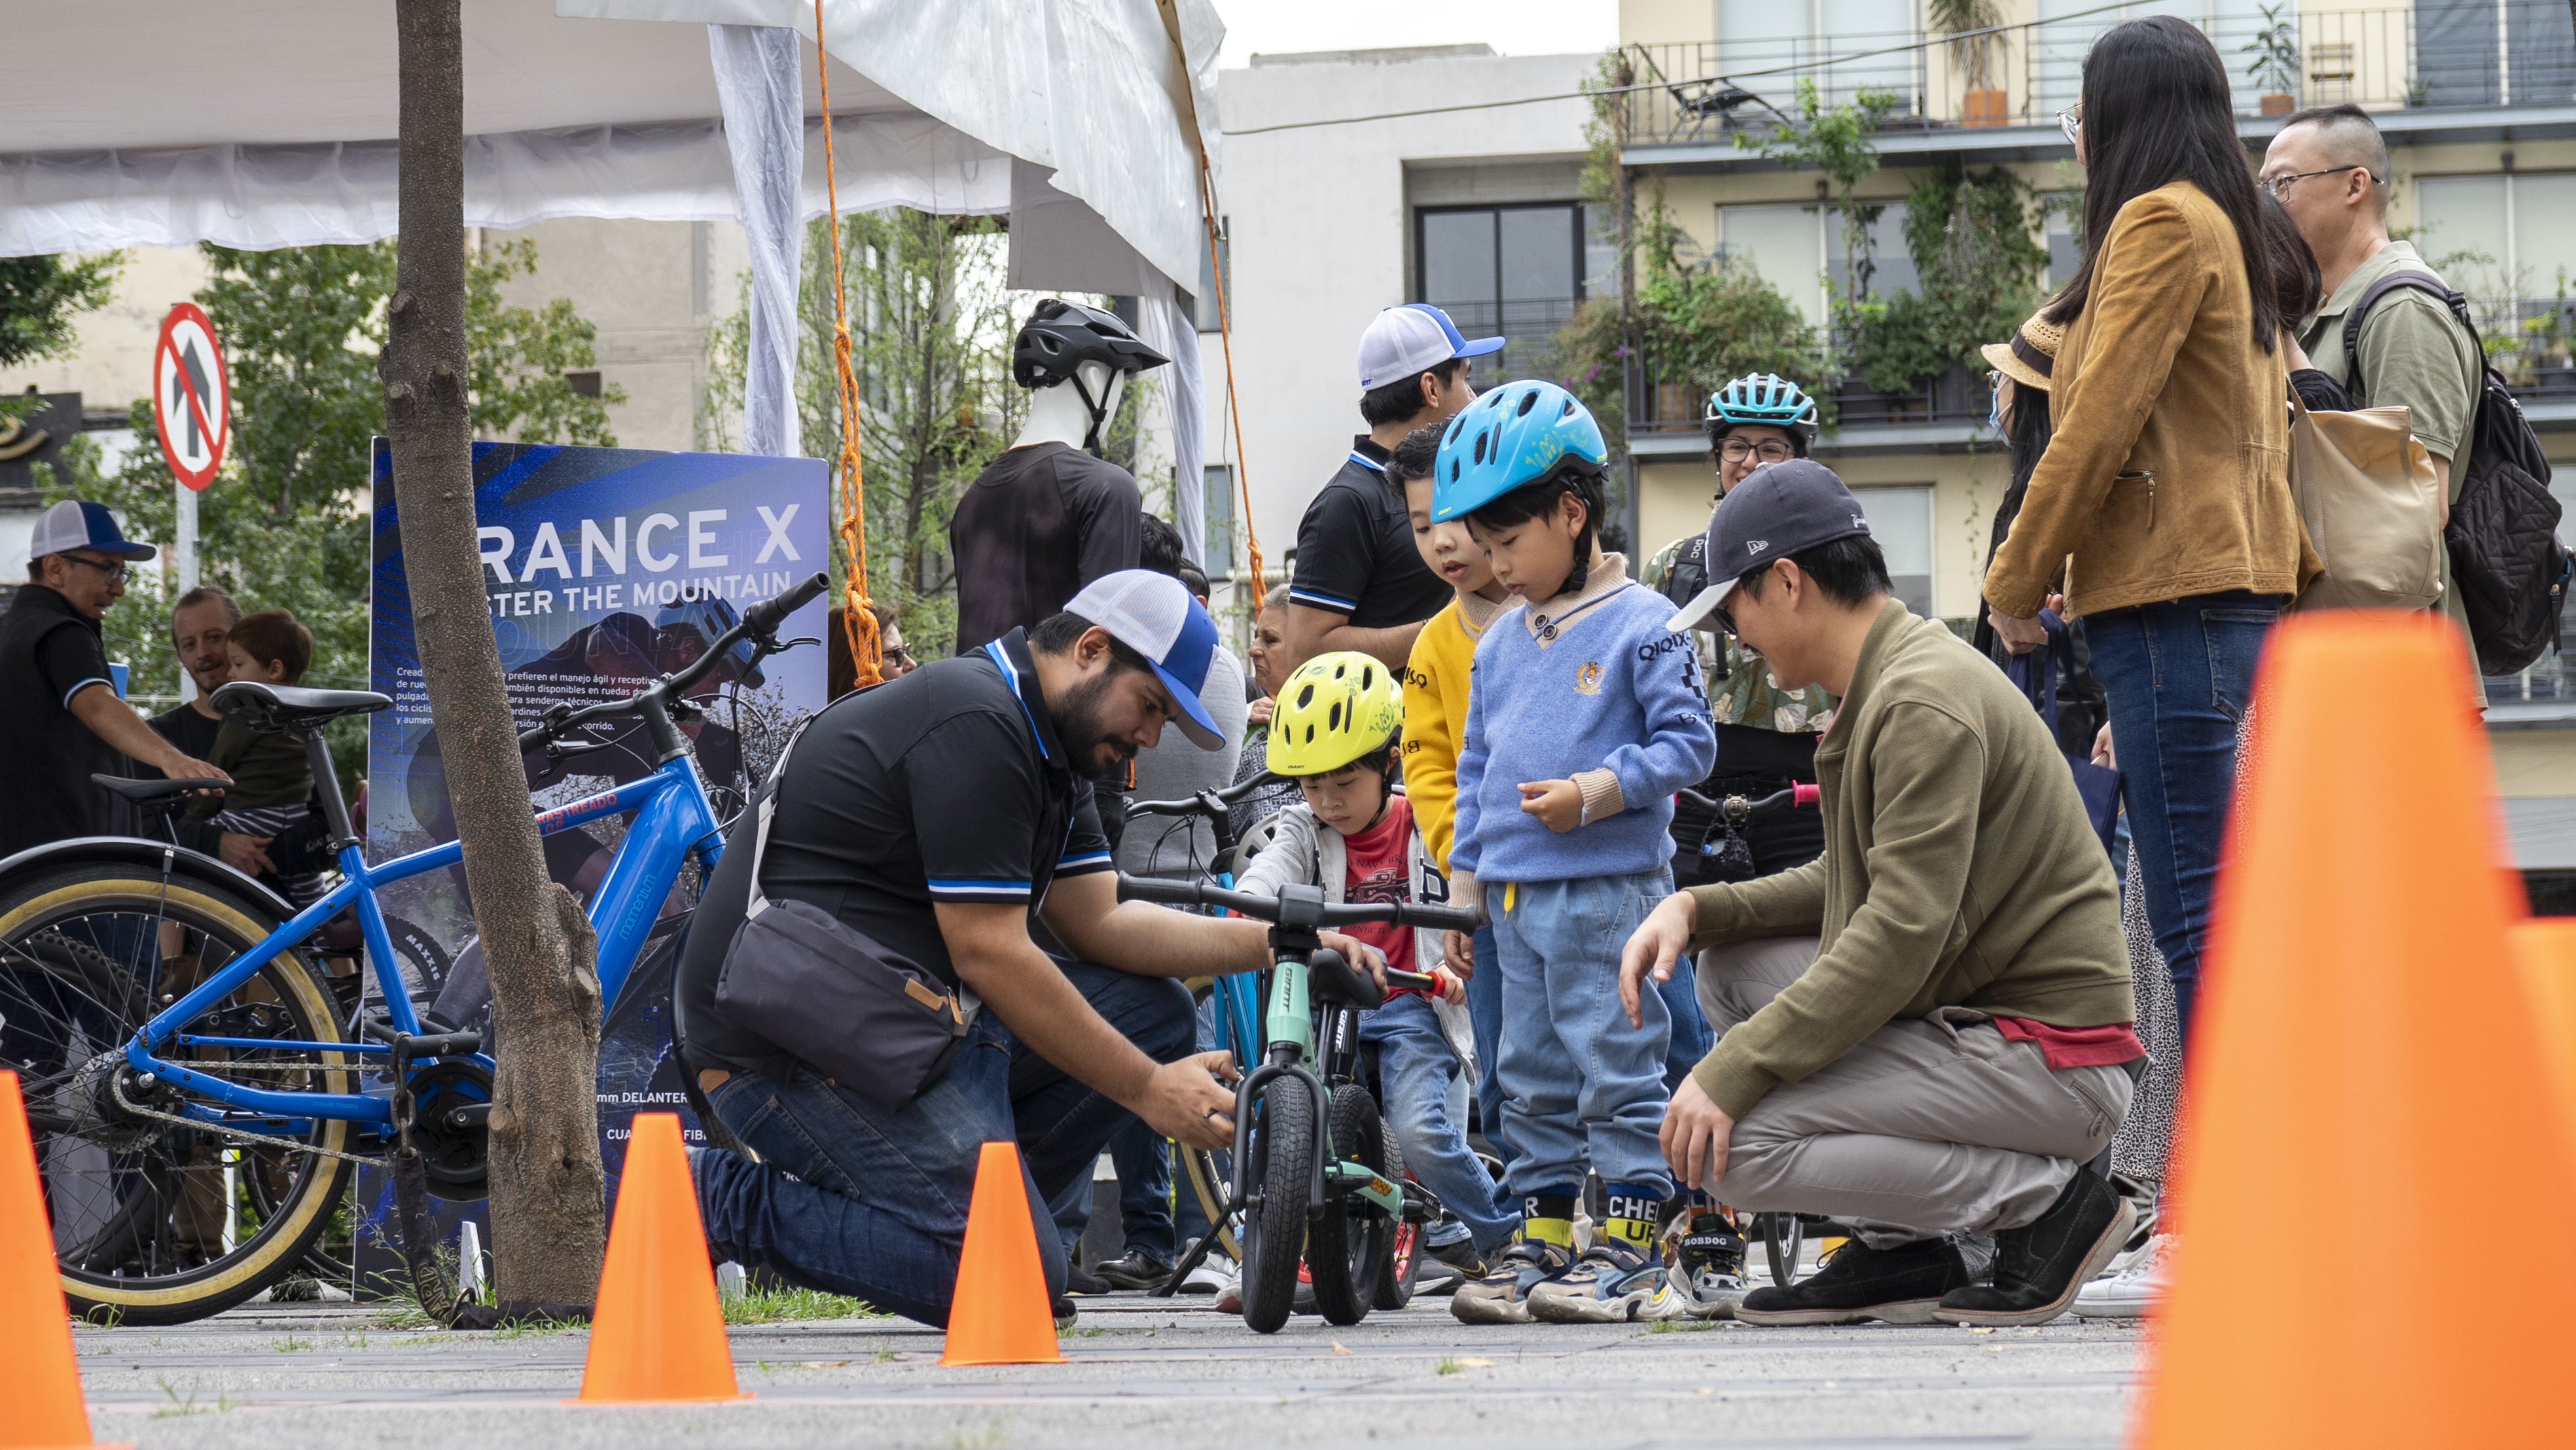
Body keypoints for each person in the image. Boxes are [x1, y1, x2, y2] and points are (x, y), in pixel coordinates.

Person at [679, 570, 1393, 1326]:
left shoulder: (1054, 745)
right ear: (1091, 648)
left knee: (1152, 1012)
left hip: (914, 1018)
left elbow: (1100, 922)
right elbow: (991, 951)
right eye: (1150, 707)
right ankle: (726, 1201)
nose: (1150, 738)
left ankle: (988, 1211)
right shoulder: (974, 721)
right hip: (789, 1042)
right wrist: (1151, 1090)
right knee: (1012, 1282)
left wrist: (1280, 942)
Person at [1635, 458, 2140, 1328]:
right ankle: (1903, 1247)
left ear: (1787, 582)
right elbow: (1858, 882)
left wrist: (1732, 1070)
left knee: (1731, 1146)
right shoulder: (1886, 681)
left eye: (1733, 610)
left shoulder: (1919, 701)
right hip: (1990, 1031)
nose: (1733, 637)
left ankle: (2044, 1206)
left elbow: (1899, 934)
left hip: (2054, 1066)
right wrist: (1700, 908)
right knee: (1729, 970)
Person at [1983, 16, 2317, 1052]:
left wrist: (2013, 580)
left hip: (2172, 606)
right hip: (2231, 597)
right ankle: (2250, 1183)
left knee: (2196, 929)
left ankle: (2236, 1201)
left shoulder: (2160, 226)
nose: (2078, 138)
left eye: (2084, 115)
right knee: (2229, 919)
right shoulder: (2230, 226)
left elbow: (2095, 425)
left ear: (2120, 118)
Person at [1437, 381, 1718, 1326]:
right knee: (1531, 1077)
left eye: (1509, 542)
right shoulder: (1500, 643)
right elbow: (1476, 768)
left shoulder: (1648, 623)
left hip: (1608, 893)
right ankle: (1546, 1239)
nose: (1495, 565)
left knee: (1617, 1066)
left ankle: (1636, 1245)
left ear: (1573, 512)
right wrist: (1464, 896)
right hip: (1514, 903)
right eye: (1486, 546)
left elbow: (1691, 746)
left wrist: (1593, 795)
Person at [1234, 651, 1512, 1282]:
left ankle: (1502, 1237)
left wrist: (1456, 959)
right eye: (1311, 785)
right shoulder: (1304, 828)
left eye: (1344, 782)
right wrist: (1250, 905)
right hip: (1325, 1006)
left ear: (1390, 760)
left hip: (1411, 1004)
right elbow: (1264, 880)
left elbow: (1463, 896)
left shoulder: (1425, 820)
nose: (1328, 801)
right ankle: (1262, 1255)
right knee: (1282, 1118)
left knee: (1419, 1129)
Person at [1086, 521, 1247, 1294]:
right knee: (1199, 1058)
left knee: (1133, 1065)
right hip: (1203, 889)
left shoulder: (1137, 677)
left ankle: (1153, 1236)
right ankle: (1205, 1234)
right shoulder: (1231, 671)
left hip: (1123, 887)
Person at [2263, 102, 2481, 671]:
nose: (2268, 203)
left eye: (2283, 183)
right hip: (2337, 654)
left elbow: (2417, 513)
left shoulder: (2403, 309)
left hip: (2385, 670)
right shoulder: (2330, 315)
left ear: (2355, 184)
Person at [1389, 424, 1518, 1209]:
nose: (1441, 540)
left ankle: (1679, 1209)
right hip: (1491, 891)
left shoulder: (1559, 616)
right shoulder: (1434, 645)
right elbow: (1430, 768)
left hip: (1587, 876)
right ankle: (1534, 1224)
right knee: (1507, 1067)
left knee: (1632, 1052)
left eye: (1459, 516)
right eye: (1418, 523)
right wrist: (1459, 875)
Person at [0, 499, 224, 859]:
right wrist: (171, 759)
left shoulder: (12, 632)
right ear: (56, 568)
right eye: (108, 570)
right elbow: (98, 706)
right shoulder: (62, 633)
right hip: (70, 866)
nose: (118, 588)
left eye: (122, 572)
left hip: (22, 867)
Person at [1280, 304, 1496, 676]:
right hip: (1394, 732)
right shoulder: (1348, 501)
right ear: (1431, 387)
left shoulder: (1451, 478)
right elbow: (1305, 652)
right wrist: (1448, 629)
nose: (1474, 398)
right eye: (1464, 379)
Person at [949, 300, 1162, 652]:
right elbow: (1106, 650)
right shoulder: (1105, 488)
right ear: (1095, 379)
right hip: (1055, 708)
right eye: (1121, 383)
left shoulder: (971, 500)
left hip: (974, 703)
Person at [185, 610, 328, 909]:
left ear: (274, 669)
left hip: (252, 815)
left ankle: (173, 952)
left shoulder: (248, 712)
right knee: (314, 904)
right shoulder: (304, 711)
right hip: (297, 816)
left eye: (238, 664)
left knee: (185, 872)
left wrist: (194, 820)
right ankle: (333, 946)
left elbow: (218, 770)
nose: (231, 673)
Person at [1228, 583, 1302, 848]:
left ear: (1307, 646)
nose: (1253, 649)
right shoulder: (1260, 721)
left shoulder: (1275, 745)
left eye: (1269, 640)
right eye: (1256, 636)